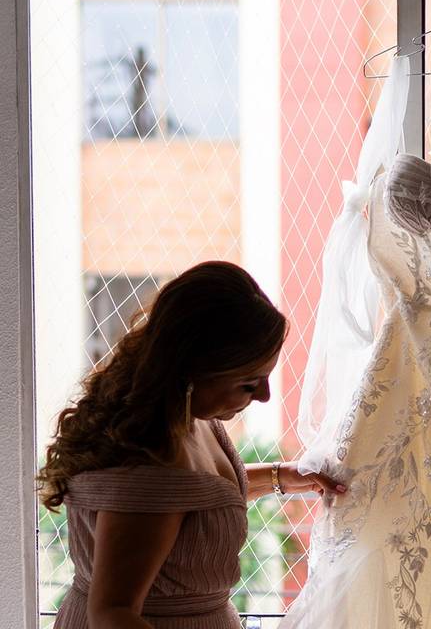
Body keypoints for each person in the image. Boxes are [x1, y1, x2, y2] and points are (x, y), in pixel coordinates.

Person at [38, 261, 346, 629]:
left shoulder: (192, 419)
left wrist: (281, 477)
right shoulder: (149, 467)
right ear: (192, 370)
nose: (263, 395)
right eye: (249, 383)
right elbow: (112, 614)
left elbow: (196, 499)